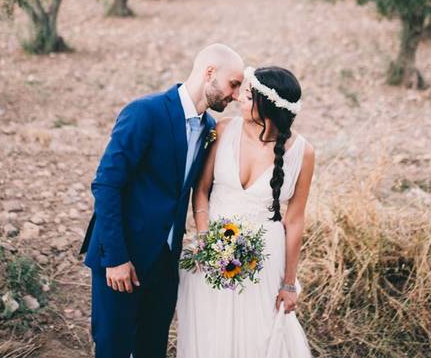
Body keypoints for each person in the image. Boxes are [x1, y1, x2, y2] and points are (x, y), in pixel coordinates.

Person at [81, 44, 245, 358]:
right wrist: (115, 258)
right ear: (209, 73)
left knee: (153, 348)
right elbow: (106, 185)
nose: (236, 95)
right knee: (113, 348)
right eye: (233, 84)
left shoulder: (210, 128)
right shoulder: (146, 112)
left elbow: (200, 193)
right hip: (122, 257)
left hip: (166, 263)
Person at [177, 66, 315, 357]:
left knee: (258, 336)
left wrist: (289, 283)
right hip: (212, 253)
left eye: (248, 95)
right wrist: (206, 242)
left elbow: (295, 220)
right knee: (211, 331)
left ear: (268, 106)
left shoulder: (302, 152)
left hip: (265, 259)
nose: (238, 97)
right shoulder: (224, 129)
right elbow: (201, 190)